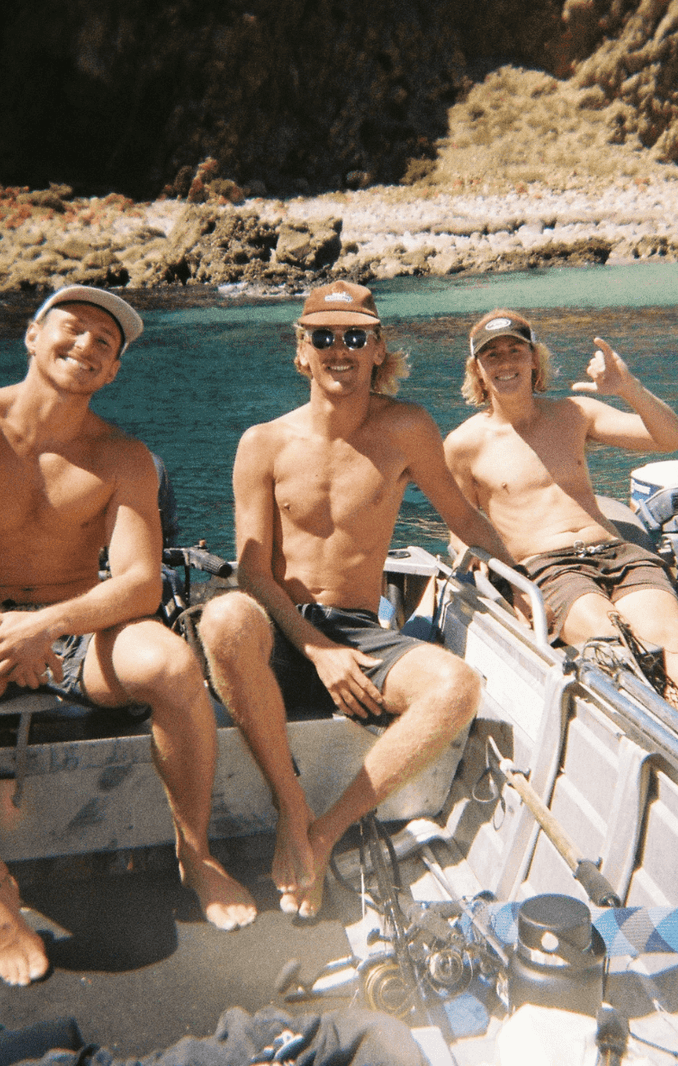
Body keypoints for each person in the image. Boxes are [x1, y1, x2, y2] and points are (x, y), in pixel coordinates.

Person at [0, 285, 256, 988]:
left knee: (172, 665)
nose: (86, 346)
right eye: (72, 329)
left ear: (112, 372)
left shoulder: (123, 457)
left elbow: (141, 584)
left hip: (73, 630)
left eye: (104, 344)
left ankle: (195, 852)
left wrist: (47, 626)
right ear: (31, 335)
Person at [197, 281, 514, 919]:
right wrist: (316, 652)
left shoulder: (407, 428)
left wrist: (532, 580)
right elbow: (253, 571)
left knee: (455, 688)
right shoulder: (263, 443)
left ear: (377, 349)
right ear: (302, 352)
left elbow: (465, 520)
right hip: (280, 626)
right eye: (324, 337)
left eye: (355, 336)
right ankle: (293, 811)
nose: (339, 350)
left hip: (361, 631)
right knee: (224, 616)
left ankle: (322, 832)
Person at [443, 309, 678, 769]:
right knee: (615, 643)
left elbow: (671, 438)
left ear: (534, 359)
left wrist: (629, 388)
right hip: (549, 568)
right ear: (477, 369)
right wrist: (497, 577)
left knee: (670, 637)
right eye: (491, 354)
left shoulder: (574, 413)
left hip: (616, 551)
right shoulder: (463, 444)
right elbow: (459, 524)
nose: (505, 361)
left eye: (515, 349)